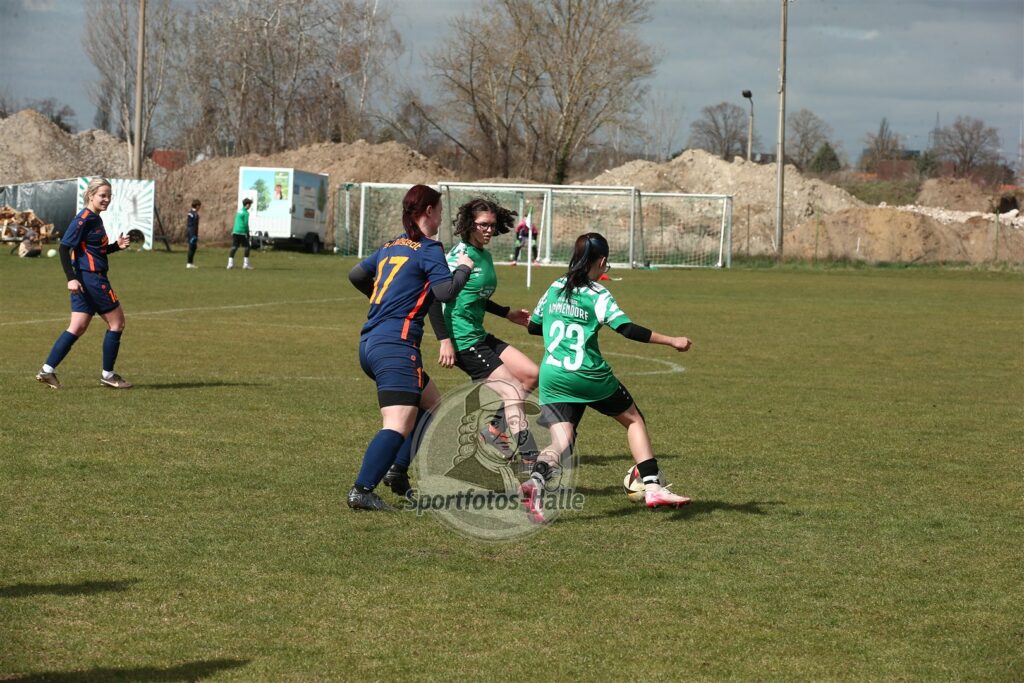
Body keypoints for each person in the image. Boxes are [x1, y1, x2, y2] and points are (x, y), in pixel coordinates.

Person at [521, 232, 693, 522]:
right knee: (633, 419)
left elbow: (534, 326)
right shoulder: (597, 294)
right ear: (601, 261)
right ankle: (653, 487)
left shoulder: (555, 287)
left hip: (554, 375)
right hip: (588, 374)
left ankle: (534, 482)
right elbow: (626, 329)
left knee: (562, 439)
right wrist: (672, 340)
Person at [346, 184, 474, 511]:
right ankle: (362, 490)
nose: (441, 218)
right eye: (440, 211)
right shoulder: (429, 248)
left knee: (431, 403)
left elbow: (356, 275)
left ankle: (397, 470)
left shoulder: (391, 246)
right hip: (396, 346)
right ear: (428, 211)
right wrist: (464, 268)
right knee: (398, 423)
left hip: (371, 342)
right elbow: (445, 293)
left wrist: (385, 300)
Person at [428, 197, 541, 474]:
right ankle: (530, 458)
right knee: (512, 391)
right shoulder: (458, 257)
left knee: (531, 375)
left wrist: (506, 313)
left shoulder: (484, 255)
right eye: (483, 225)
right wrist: (445, 341)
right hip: (462, 340)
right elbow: (434, 298)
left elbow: (475, 296)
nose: (489, 230)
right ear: (470, 224)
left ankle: (493, 431)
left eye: (492, 225)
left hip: (478, 334)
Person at [35, 177, 133, 390]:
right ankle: (108, 375)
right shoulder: (84, 219)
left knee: (77, 326)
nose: (107, 199)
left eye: (109, 196)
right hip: (92, 280)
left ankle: (47, 371)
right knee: (117, 323)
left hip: (86, 279)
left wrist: (116, 246)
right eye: (102, 195)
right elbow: (64, 248)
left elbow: (95, 250)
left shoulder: (95, 219)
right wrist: (71, 278)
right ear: (91, 195)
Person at [227, 197, 253, 270]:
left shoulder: (239, 211)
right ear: (247, 204)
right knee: (247, 247)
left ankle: (230, 264)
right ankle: (245, 264)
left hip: (235, 231)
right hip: (242, 232)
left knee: (234, 247)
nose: (250, 206)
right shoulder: (246, 213)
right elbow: (245, 223)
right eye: (250, 204)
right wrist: (248, 233)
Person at [185, 199, 201, 269]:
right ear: (197, 206)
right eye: (199, 206)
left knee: (194, 247)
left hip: (191, 232)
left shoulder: (191, 213)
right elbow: (193, 225)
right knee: (192, 247)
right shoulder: (194, 214)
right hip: (192, 232)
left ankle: (190, 263)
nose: (200, 208)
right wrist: (193, 235)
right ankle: (189, 263)